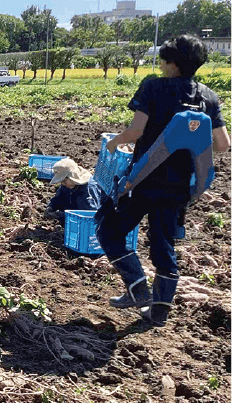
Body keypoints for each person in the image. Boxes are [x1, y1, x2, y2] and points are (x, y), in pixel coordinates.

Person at [96, 34, 229, 327]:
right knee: (163, 246)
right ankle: (159, 313)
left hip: (142, 182)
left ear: (171, 62)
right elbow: (222, 144)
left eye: (163, 59)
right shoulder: (208, 97)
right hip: (179, 188)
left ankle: (137, 288)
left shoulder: (153, 87)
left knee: (109, 230)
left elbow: (135, 132)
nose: (161, 64)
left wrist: (114, 143)